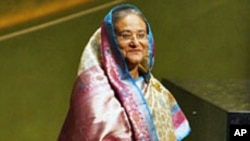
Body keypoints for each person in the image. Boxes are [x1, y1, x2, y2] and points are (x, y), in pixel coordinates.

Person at [58, 4, 191, 141]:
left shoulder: (156, 91)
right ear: (110, 42)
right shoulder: (96, 95)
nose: (135, 42)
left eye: (141, 35)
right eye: (125, 36)